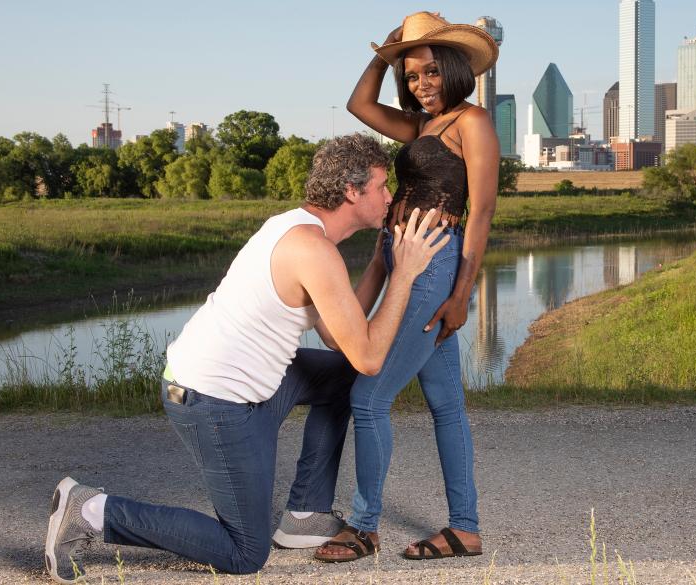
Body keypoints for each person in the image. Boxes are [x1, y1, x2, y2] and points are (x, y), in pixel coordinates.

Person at [43, 134, 452, 583]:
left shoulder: (297, 229)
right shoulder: (312, 250)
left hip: (240, 383)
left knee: (342, 376)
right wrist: (406, 274)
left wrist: (379, 264)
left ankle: (305, 515)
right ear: (352, 192)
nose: (389, 196)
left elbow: (342, 342)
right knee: (244, 553)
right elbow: (372, 357)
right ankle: (92, 510)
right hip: (213, 401)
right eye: (381, 185)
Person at [314, 12, 500, 563]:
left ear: (454, 70)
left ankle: (364, 527)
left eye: (430, 73)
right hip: (404, 264)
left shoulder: (473, 122)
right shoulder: (421, 126)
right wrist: (382, 55)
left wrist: (462, 293)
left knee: (368, 398)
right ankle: (464, 530)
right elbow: (360, 107)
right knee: (446, 405)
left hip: (434, 269)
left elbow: (483, 211)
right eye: (412, 75)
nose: (421, 84)